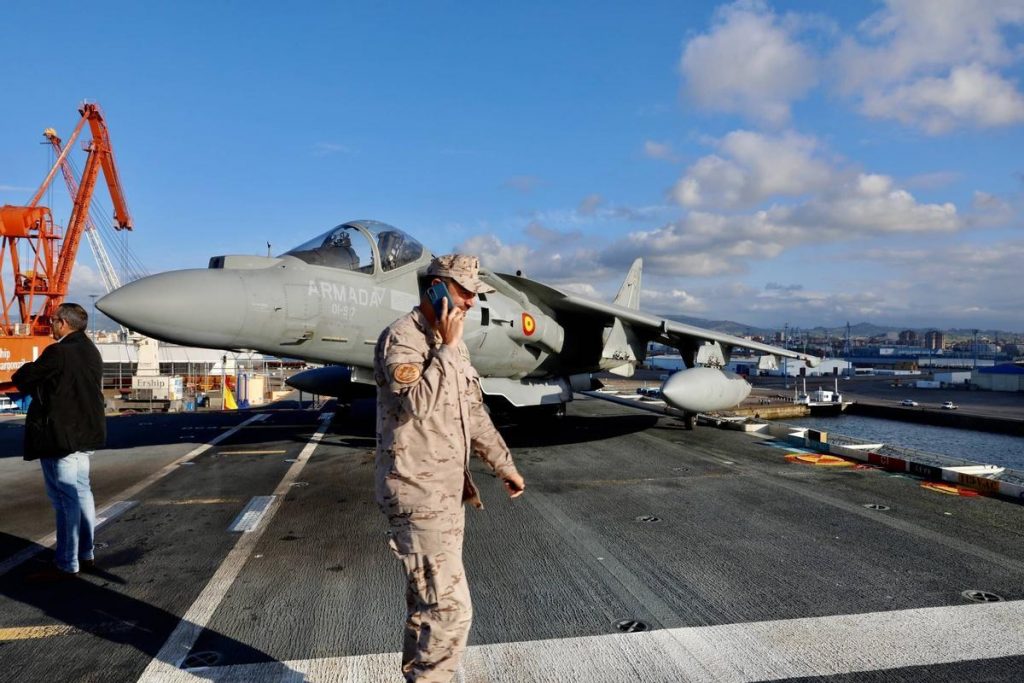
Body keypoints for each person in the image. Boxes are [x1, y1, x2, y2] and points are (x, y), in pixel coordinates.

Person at [374, 254, 526, 682]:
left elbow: (473, 413)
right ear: (436, 288)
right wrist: (446, 348)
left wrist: (503, 465)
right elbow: (415, 404)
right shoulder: (403, 339)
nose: (473, 302)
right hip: (416, 493)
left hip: (446, 493)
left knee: (429, 608)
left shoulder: (450, 346)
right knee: (450, 610)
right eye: (465, 292)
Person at [13, 302, 106, 581]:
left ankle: (66, 562)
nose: (51, 325)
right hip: (85, 433)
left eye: (53, 321)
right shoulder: (91, 350)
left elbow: (25, 378)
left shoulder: (58, 351)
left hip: (61, 436)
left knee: (64, 499)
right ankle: (86, 553)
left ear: (63, 323)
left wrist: (28, 370)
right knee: (82, 492)